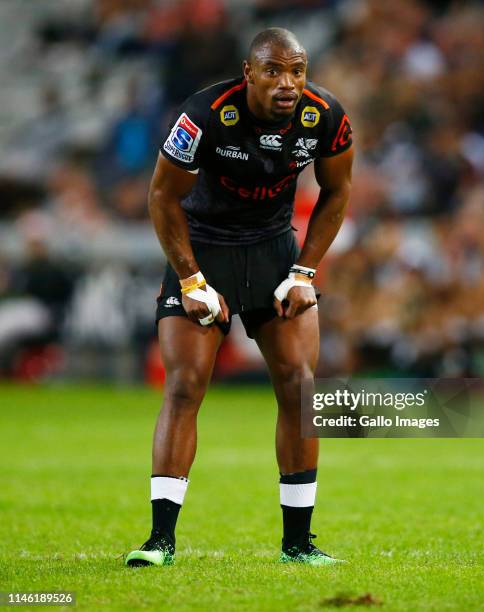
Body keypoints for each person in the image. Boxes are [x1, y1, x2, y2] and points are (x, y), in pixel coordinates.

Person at [125, 27, 353, 567]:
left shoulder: (326, 115)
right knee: (184, 385)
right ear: (249, 73)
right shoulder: (204, 113)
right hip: (204, 250)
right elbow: (161, 196)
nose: (288, 83)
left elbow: (338, 190)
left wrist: (304, 271)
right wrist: (190, 280)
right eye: (274, 71)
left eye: (297, 71)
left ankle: (298, 544)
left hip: (276, 251)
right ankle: (160, 540)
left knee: (299, 388)